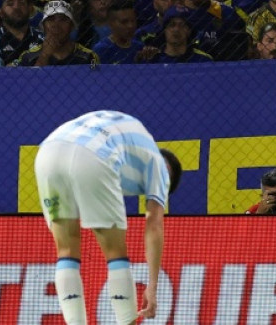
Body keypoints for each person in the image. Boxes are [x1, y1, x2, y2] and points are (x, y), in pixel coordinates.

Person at [34, 110, 182, 324]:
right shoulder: (160, 166)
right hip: (94, 155)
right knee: (115, 252)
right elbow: (154, 224)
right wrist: (152, 286)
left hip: (48, 152)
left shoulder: (135, 142)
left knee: (66, 249)